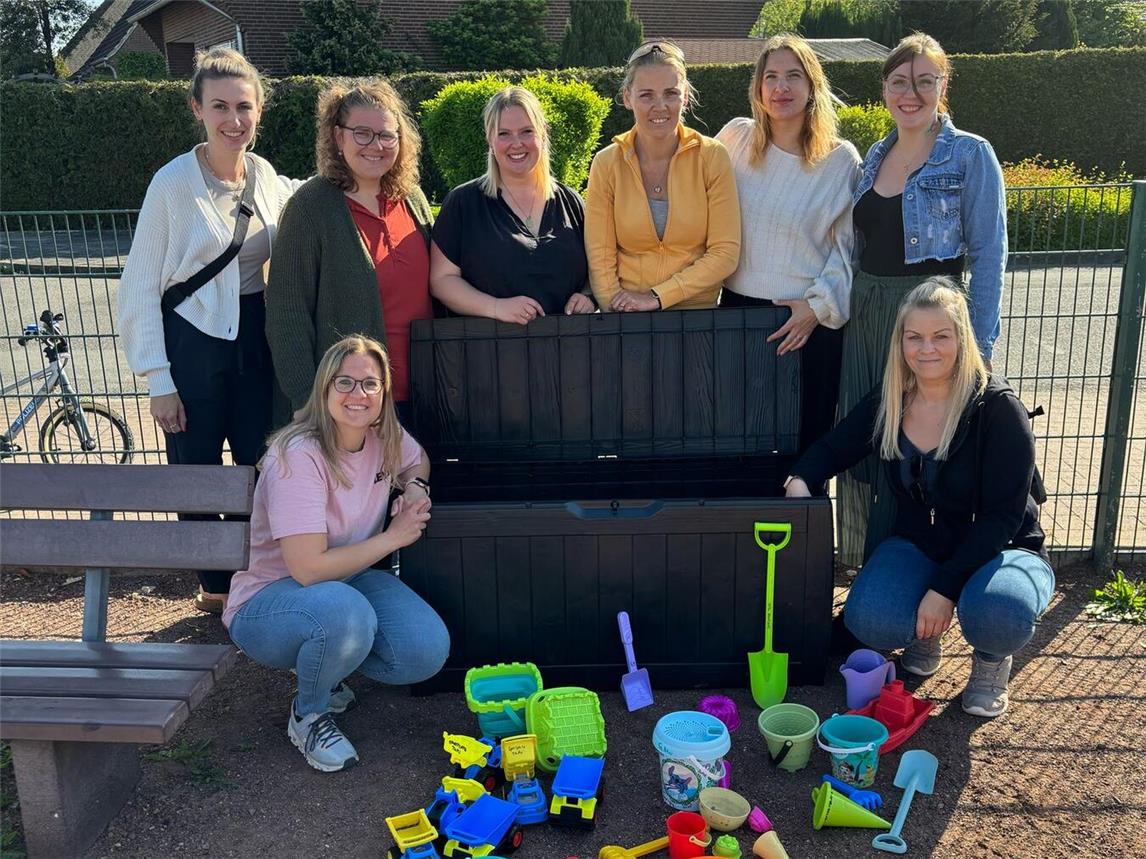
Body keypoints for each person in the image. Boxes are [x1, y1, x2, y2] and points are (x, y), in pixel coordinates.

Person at [786, 278, 1052, 717]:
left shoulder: (998, 408)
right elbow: (835, 447)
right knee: (868, 618)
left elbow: (1002, 518)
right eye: (915, 337)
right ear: (901, 342)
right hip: (923, 541)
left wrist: (943, 589)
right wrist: (800, 480)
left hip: (1002, 547)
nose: (927, 348)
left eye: (940, 336)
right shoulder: (893, 397)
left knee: (1000, 612)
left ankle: (991, 660)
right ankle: (927, 633)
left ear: (961, 339)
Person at [117, 48, 300, 614]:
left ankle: (254, 576)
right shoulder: (172, 184)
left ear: (259, 111)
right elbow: (140, 284)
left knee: (256, 464)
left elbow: (311, 194)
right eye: (220, 106)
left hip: (255, 335)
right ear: (197, 108)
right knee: (195, 468)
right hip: (191, 340)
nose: (233, 119)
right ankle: (216, 586)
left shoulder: (266, 178)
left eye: (244, 106)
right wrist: (158, 380)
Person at [223, 335, 449, 771]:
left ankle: (327, 664)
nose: (357, 394)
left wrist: (416, 488)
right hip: (270, 600)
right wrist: (393, 537)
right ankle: (309, 713)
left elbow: (416, 461)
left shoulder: (383, 435)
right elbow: (308, 570)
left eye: (370, 383)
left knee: (425, 649)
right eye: (344, 382)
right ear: (324, 389)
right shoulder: (298, 456)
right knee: (347, 615)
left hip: (347, 580)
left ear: (383, 394)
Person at [837, 32, 1008, 564]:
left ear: (943, 85)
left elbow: (989, 253)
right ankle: (876, 573)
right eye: (898, 82)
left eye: (924, 81)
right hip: (868, 319)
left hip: (928, 323)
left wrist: (979, 346)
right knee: (873, 444)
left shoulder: (970, 154)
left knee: (922, 447)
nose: (910, 94)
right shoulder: (875, 154)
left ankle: (925, 573)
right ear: (884, 89)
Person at [716, 34, 861, 455]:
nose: (781, 87)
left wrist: (817, 309)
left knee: (804, 451)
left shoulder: (840, 160)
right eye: (772, 76)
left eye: (793, 76)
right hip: (738, 316)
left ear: (812, 86)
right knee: (739, 448)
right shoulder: (735, 140)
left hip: (807, 326)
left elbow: (849, 249)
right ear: (758, 88)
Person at [266, 79, 434, 425]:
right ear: (338, 137)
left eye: (386, 135)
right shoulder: (309, 209)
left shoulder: (412, 200)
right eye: (362, 133)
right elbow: (287, 314)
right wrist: (305, 399)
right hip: (349, 405)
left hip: (425, 395)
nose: (376, 145)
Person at [585, 41, 740, 312]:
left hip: (697, 317)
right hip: (627, 317)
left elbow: (725, 253)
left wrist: (657, 297)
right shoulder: (606, 163)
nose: (660, 106)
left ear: (685, 96)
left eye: (671, 93)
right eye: (646, 95)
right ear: (627, 97)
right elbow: (600, 256)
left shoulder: (712, 157)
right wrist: (616, 313)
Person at [430, 86, 594, 323]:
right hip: (489, 344)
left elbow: (596, 269)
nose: (516, 143)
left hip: (566, 344)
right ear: (489, 139)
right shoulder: (463, 204)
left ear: (543, 133)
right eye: (504, 134)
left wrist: (587, 296)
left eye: (527, 131)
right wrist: (496, 307)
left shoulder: (572, 203)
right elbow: (442, 280)